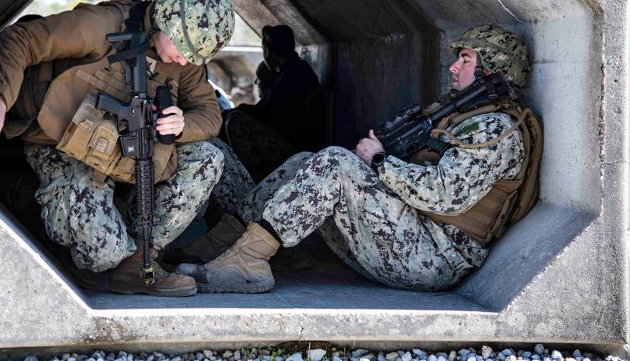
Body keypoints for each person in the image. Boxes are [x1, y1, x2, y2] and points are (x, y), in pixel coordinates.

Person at [180, 24, 541, 293]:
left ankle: (248, 263)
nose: (453, 67)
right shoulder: (466, 116)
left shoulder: (497, 129)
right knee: (307, 160)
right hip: (411, 235)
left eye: (465, 60)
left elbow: (444, 195)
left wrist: (381, 161)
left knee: (336, 162)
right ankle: (229, 242)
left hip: (432, 255)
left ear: (492, 70)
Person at [0, 0, 235, 297]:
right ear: (166, 20)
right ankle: (20, 196)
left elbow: (209, 112)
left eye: (195, 56)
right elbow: (20, 39)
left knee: (209, 156)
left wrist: (182, 124)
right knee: (101, 254)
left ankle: (137, 265)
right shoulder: (102, 25)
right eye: (183, 50)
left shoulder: (183, 59)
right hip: (63, 146)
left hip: (128, 151)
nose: (185, 61)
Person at [220, 25, 325, 183]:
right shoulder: (291, 71)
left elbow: (267, 115)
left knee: (235, 122)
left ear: (267, 51)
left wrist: (236, 112)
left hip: (295, 150)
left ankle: (251, 181)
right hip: (295, 144)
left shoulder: (292, 75)